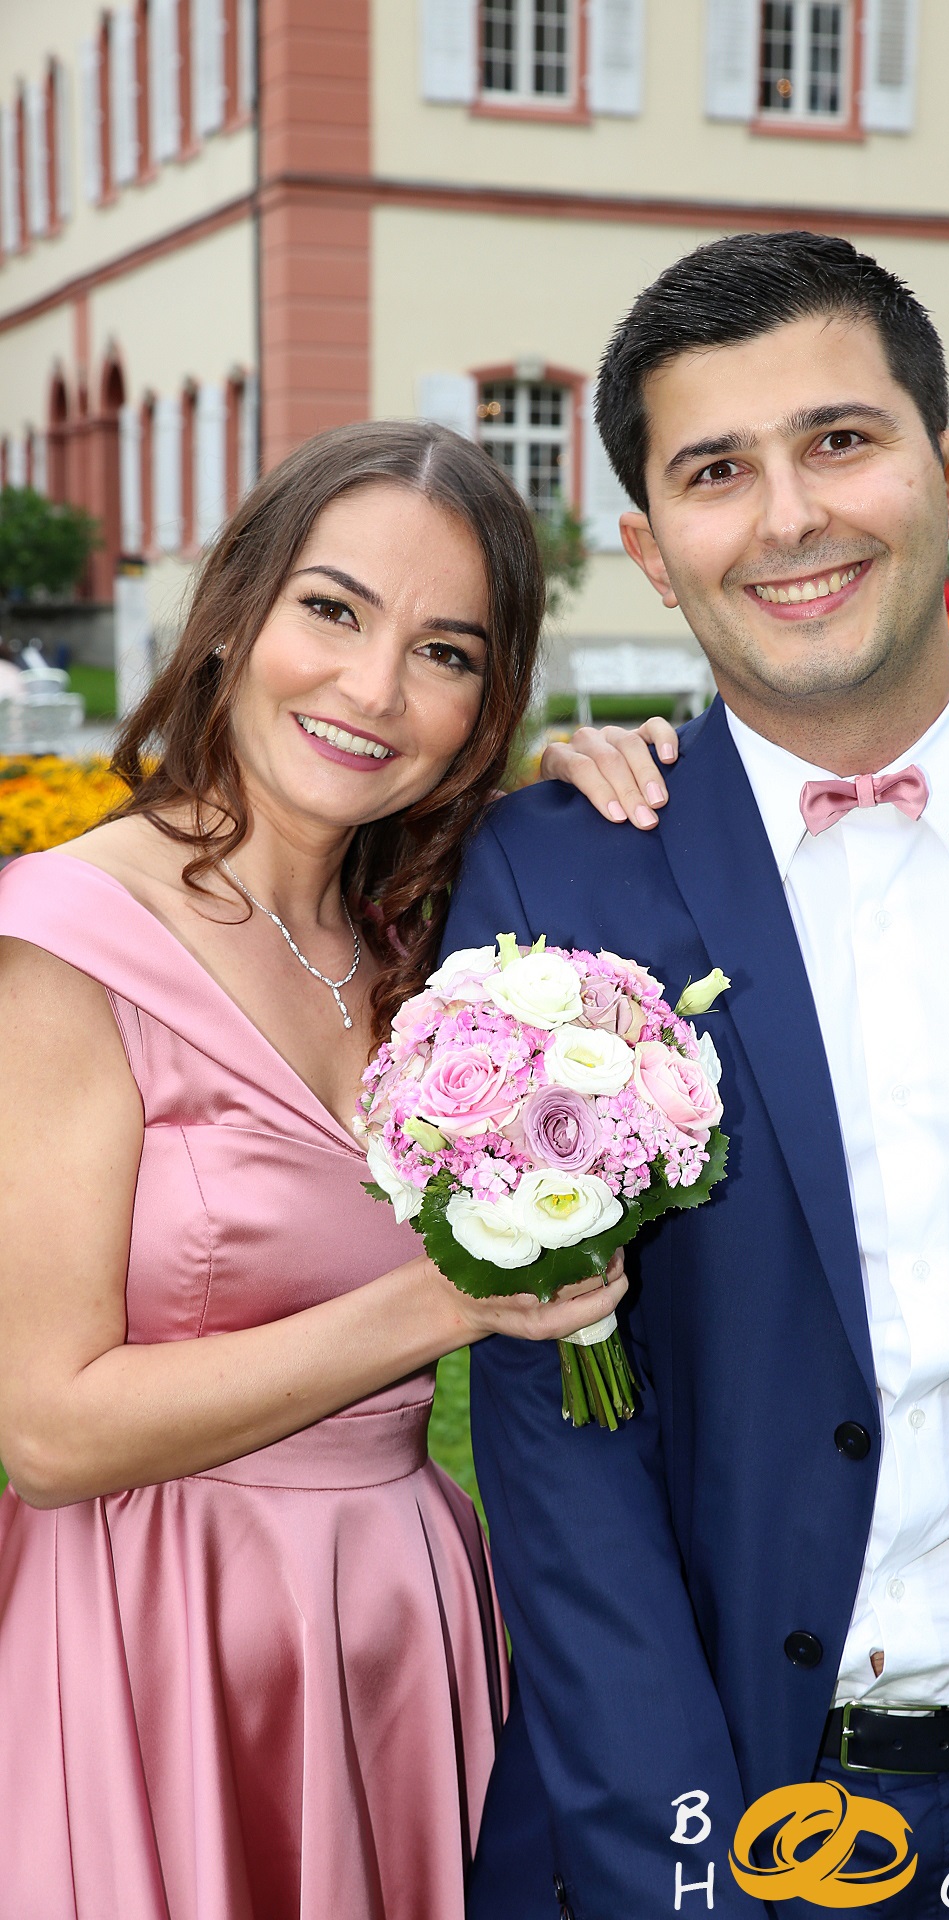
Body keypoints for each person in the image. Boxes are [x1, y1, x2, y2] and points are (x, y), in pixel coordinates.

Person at [447, 233, 949, 1919]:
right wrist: (674, 1869)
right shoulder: (551, 886)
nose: (790, 517)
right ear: (652, 551)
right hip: (728, 1791)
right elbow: (557, 1441)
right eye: (715, 472)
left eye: (841, 441)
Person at [0, 418, 669, 1920]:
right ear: (237, 607)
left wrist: (578, 796)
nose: (374, 689)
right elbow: (44, 1430)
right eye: (334, 610)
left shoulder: (435, 950)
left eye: (446, 652)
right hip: (158, 1631)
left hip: (401, 1621)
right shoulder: (63, 942)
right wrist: (453, 1304)